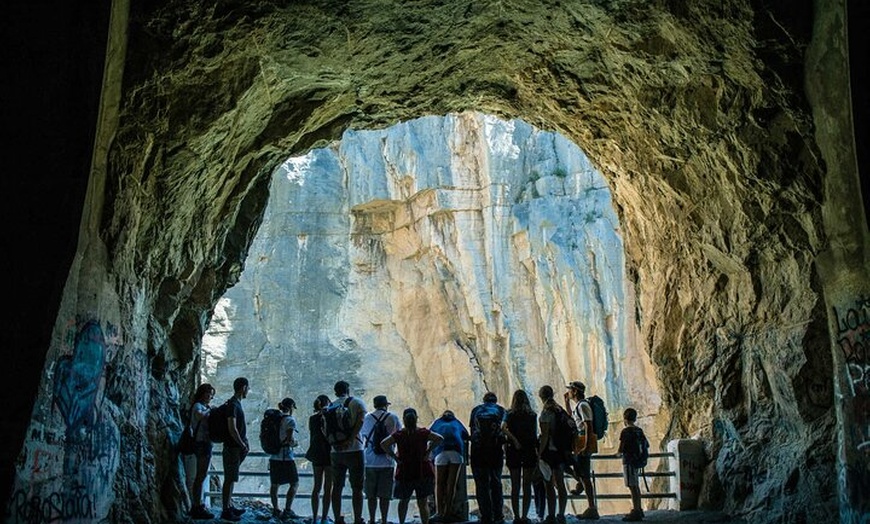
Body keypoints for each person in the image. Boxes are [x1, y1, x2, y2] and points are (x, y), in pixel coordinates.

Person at [380, 408, 443, 524]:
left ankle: (402, 522)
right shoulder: (423, 433)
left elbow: (384, 444)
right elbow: (439, 438)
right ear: (416, 419)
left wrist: (395, 457)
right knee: (422, 502)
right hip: (422, 471)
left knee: (403, 501)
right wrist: (428, 452)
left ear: (404, 419)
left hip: (404, 471)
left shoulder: (399, 434)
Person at [328, 380, 368, 524]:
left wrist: (335, 443)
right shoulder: (357, 403)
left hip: (336, 451)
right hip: (355, 449)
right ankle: (357, 519)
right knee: (357, 487)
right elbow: (361, 420)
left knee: (336, 487)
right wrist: (350, 440)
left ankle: (338, 518)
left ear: (335, 392)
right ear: (348, 390)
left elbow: (324, 429)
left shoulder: (330, 406)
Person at [361, 395, 402, 524]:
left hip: (370, 461)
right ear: (386, 405)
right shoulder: (393, 418)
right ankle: (384, 520)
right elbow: (399, 436)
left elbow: (363, 436)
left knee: (371, 495)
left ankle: (372, 520)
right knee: (385, 495)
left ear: (374, 405)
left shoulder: (367, 418)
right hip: (387, 460)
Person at [468, 392, 507, 524]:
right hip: (495, 452)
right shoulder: (501, 410)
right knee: (496, 482)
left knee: (481, 484)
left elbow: (472, 431)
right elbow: (504, 431)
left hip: (478, 452)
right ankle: (498, 516)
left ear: (484, 400)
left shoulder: (476, 410)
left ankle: (485, 516)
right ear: (495, 400)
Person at [564, 381, 598, 520]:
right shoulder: (579, 406)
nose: (569, 392)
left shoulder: (583, 405)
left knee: (585, 475)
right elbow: (573, 418)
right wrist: (566, 402)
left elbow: (587, 424)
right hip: (580, 441)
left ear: (575, 391)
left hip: (583, 441)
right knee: (579, 472)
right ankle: (580, 484)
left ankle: (591, 508)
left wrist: (586, 445)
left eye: (570, 390)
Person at [503, 390, 538, 524]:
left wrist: (514, 440)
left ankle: (516, 516)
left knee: (515, 485)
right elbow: (534, 434)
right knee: (527, 485)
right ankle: (524, 516)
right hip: (529, 450)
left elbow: (503, 428)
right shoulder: (532, 415)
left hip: (514, 450)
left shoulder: (509, 414)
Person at [429, 410, 470, 523]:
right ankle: (448, 512)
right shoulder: (457, 422)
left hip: (441, 451)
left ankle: (439, 512)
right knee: (451, 484)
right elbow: (466, 435)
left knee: (439, 483)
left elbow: (428, 434)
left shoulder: (437, 422)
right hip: (457, 452)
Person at [537, 386, 569, 524]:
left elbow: (544, 436)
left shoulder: (546, 412)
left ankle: (551, 516)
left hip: (549, 452)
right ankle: (561, 515)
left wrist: (539, 453)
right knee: (561, 483)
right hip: (561, 451)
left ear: (541, 396)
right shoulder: (559, 409)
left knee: (549, 485)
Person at [221, 377, 250, 522]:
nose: (248, 391)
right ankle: (226, 510)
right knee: (229, 478)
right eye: (247, 388)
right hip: (232, 447)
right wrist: (242, 444)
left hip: (234, 447)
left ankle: (229, 505)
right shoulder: (233, 405)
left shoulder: (235, 403)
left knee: (231, 478)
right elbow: (232, 428)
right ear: (243, 387)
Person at [269, 397, 301, 520]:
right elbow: (289, 439)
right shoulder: (289, 420)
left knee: (274, 484)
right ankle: (287, 509)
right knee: (294, 483)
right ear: (291, 407)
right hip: (286, 457)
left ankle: (276, 509)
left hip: (274, 455)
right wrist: (295, 443)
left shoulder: (274, 419)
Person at [187, 383, 215, 520]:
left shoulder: (203, 407)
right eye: (208, 393)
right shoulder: (198, 406)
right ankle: (196, 506)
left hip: (205, 443)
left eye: (211, 394)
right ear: (202, 393)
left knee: (201, 476)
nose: (210, 396)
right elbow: (199, 416)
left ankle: (198, 505)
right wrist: (210, 411)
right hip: (201, 444)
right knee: (200, 476)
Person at [306, 394, 334, 524]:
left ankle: (314, 516)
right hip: (328, 454)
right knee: (328, 488)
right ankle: (324, 517)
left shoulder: (312, 419)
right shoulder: (329, 417)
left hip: (316, 454)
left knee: (316, 487)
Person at [617, 408, 645, 522]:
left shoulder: (625, 431)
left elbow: (622, 446)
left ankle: (636, 511)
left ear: (625, 418)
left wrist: (618, 453)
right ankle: (638, 508)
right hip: (637, 461)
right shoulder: (639, 430)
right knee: (636, 485)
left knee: (631, 486)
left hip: (628, 461)